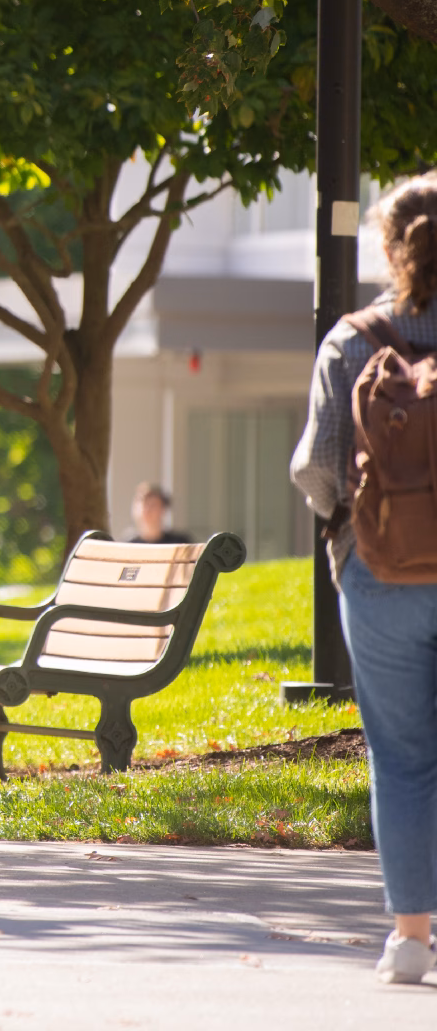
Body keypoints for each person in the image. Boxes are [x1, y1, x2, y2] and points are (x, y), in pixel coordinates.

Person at [291, 170, 437, 986]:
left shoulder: (353, 338)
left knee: (405, 756)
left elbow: (315, 469)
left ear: (389, 247)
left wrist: (348, 525)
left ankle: (411, 940)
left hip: (379, 572)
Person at [124, 482, 191, 545]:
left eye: (153, 505)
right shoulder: (127, 545)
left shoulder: (180, 543)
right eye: (144, 504)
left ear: (163, 509)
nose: (147, 510)